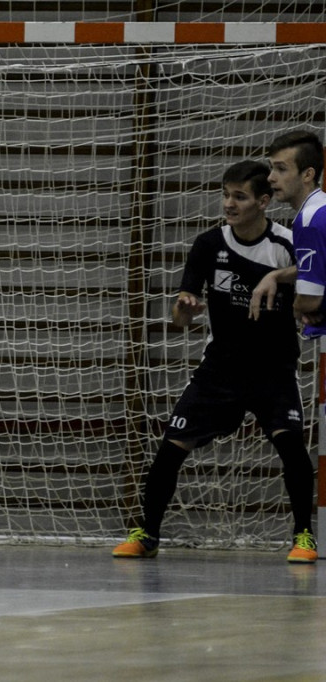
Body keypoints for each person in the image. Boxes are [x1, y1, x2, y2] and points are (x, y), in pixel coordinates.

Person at [112, 160, 316, 563]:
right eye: (225, 194)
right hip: (219, 368)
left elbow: (312, 290)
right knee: (171, 448)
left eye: (239, 196)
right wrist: (185, 310)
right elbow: (179, 317)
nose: (229, 203)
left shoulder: (287, 244)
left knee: (292, 448)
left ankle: (303, 537)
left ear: (262, 200)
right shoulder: (208, 245)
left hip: (273, 369)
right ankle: (147, 533)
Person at [266, 130, 326, 335]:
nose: (271, 178)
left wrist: (298, 309)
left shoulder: (309, 220)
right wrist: (278, 275)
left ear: (308, 174)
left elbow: (309, 300)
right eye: (271, 168)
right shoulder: (322, 208)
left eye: (281, 169)